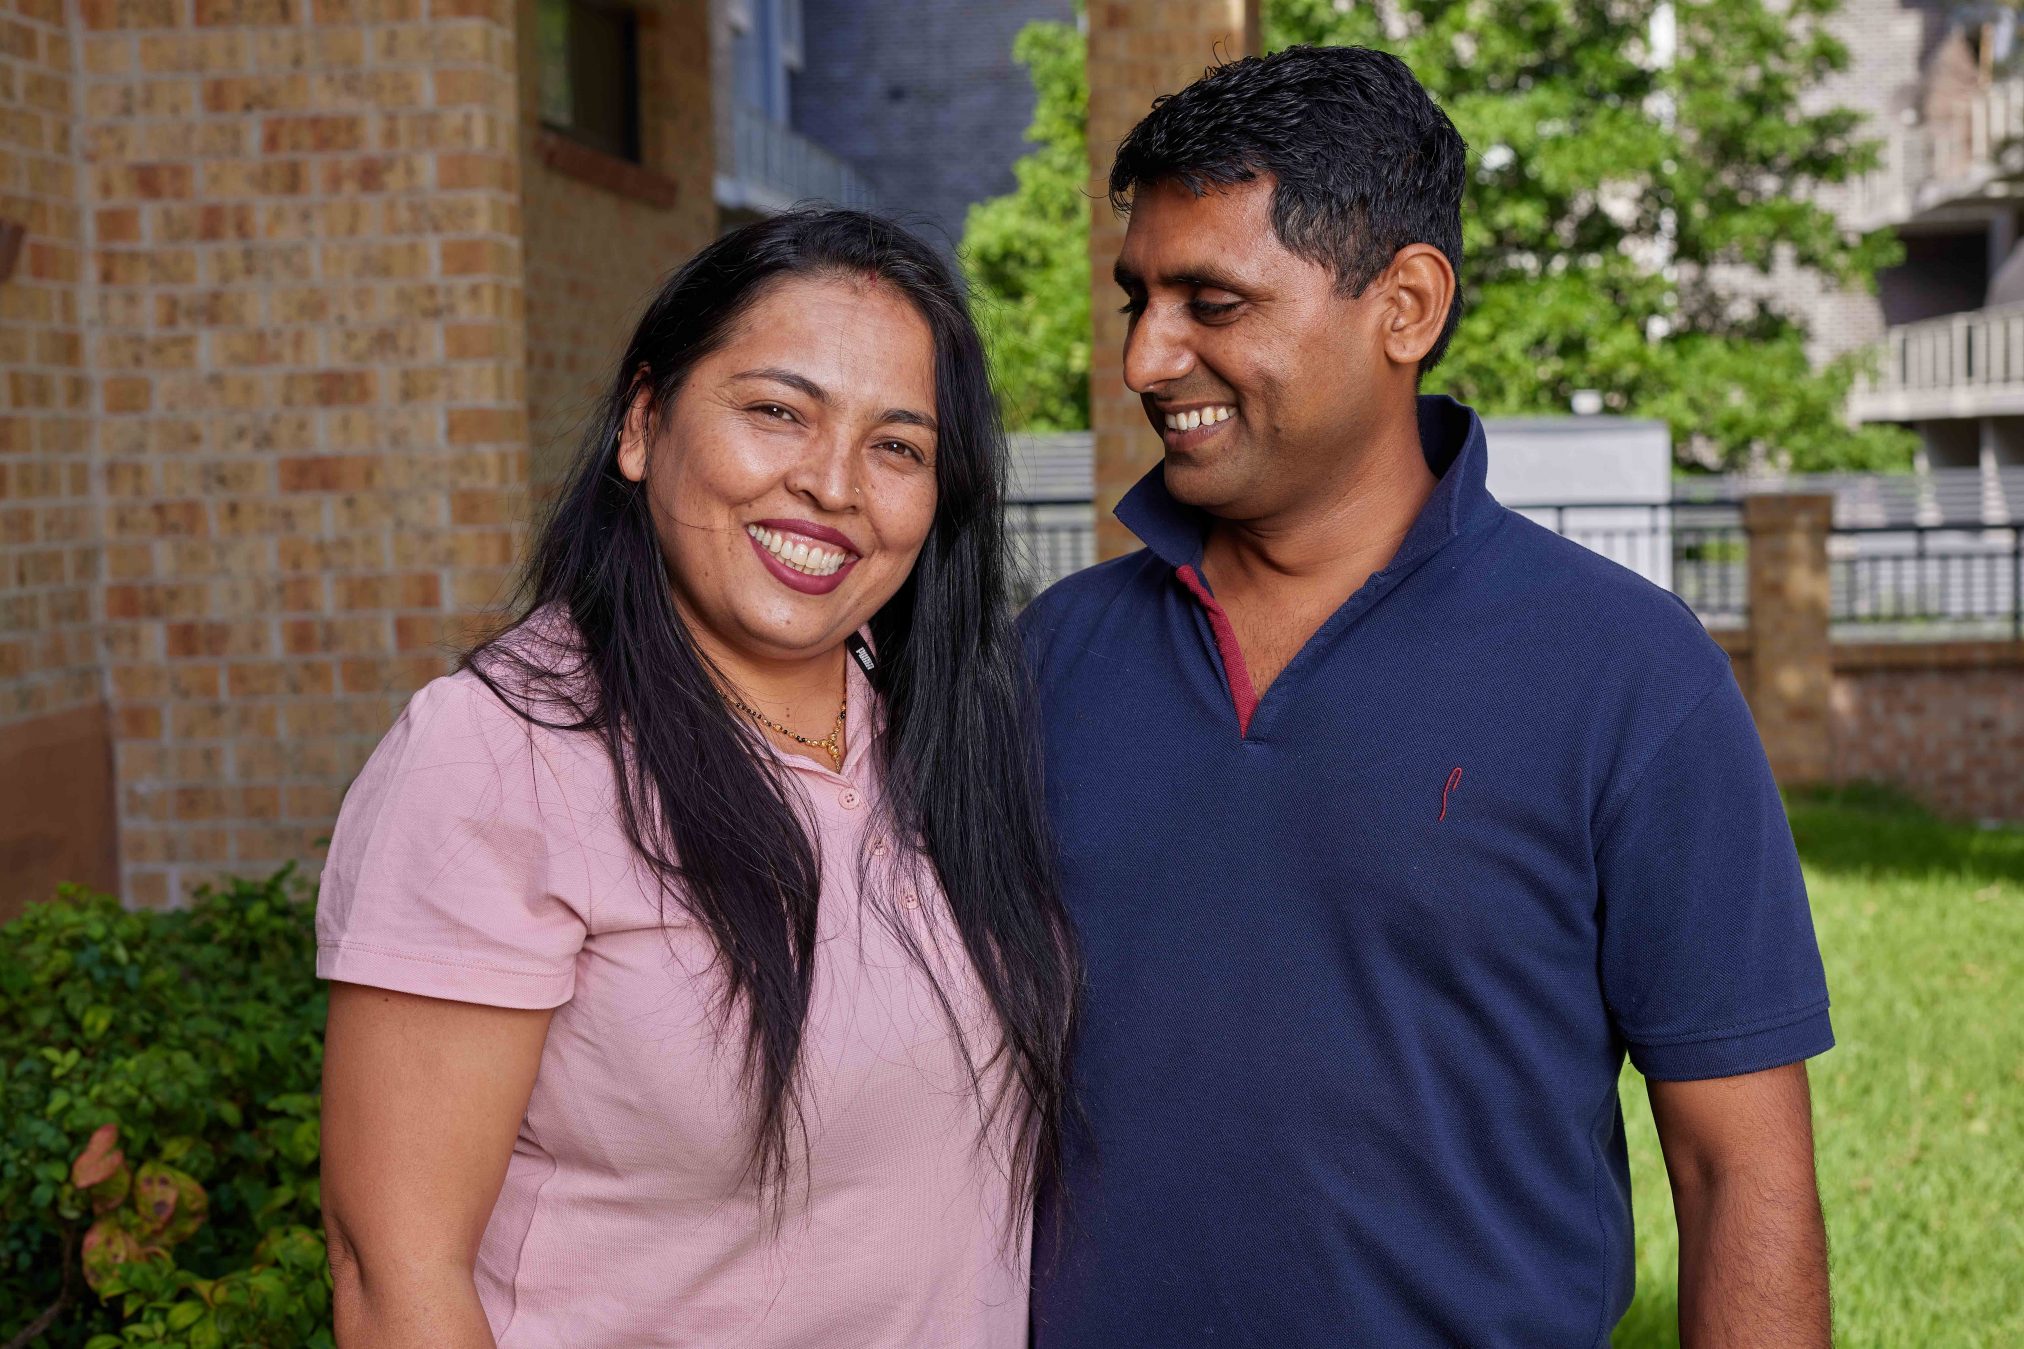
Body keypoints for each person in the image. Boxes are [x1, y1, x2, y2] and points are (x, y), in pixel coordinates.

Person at [1021, 46, 1834, 1348]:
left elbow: (1737, 1173)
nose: (1146, 359)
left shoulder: (1629, 674)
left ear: (1405, 304)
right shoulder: (1052, 659)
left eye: (1212, 302)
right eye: (1139, 300)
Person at [315, 209, 1078, 1348]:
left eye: (897, 445)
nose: (831, 482)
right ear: (641, 421)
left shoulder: (936, 736)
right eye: (777, 410)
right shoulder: (499, 753)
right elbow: (394, 1276)